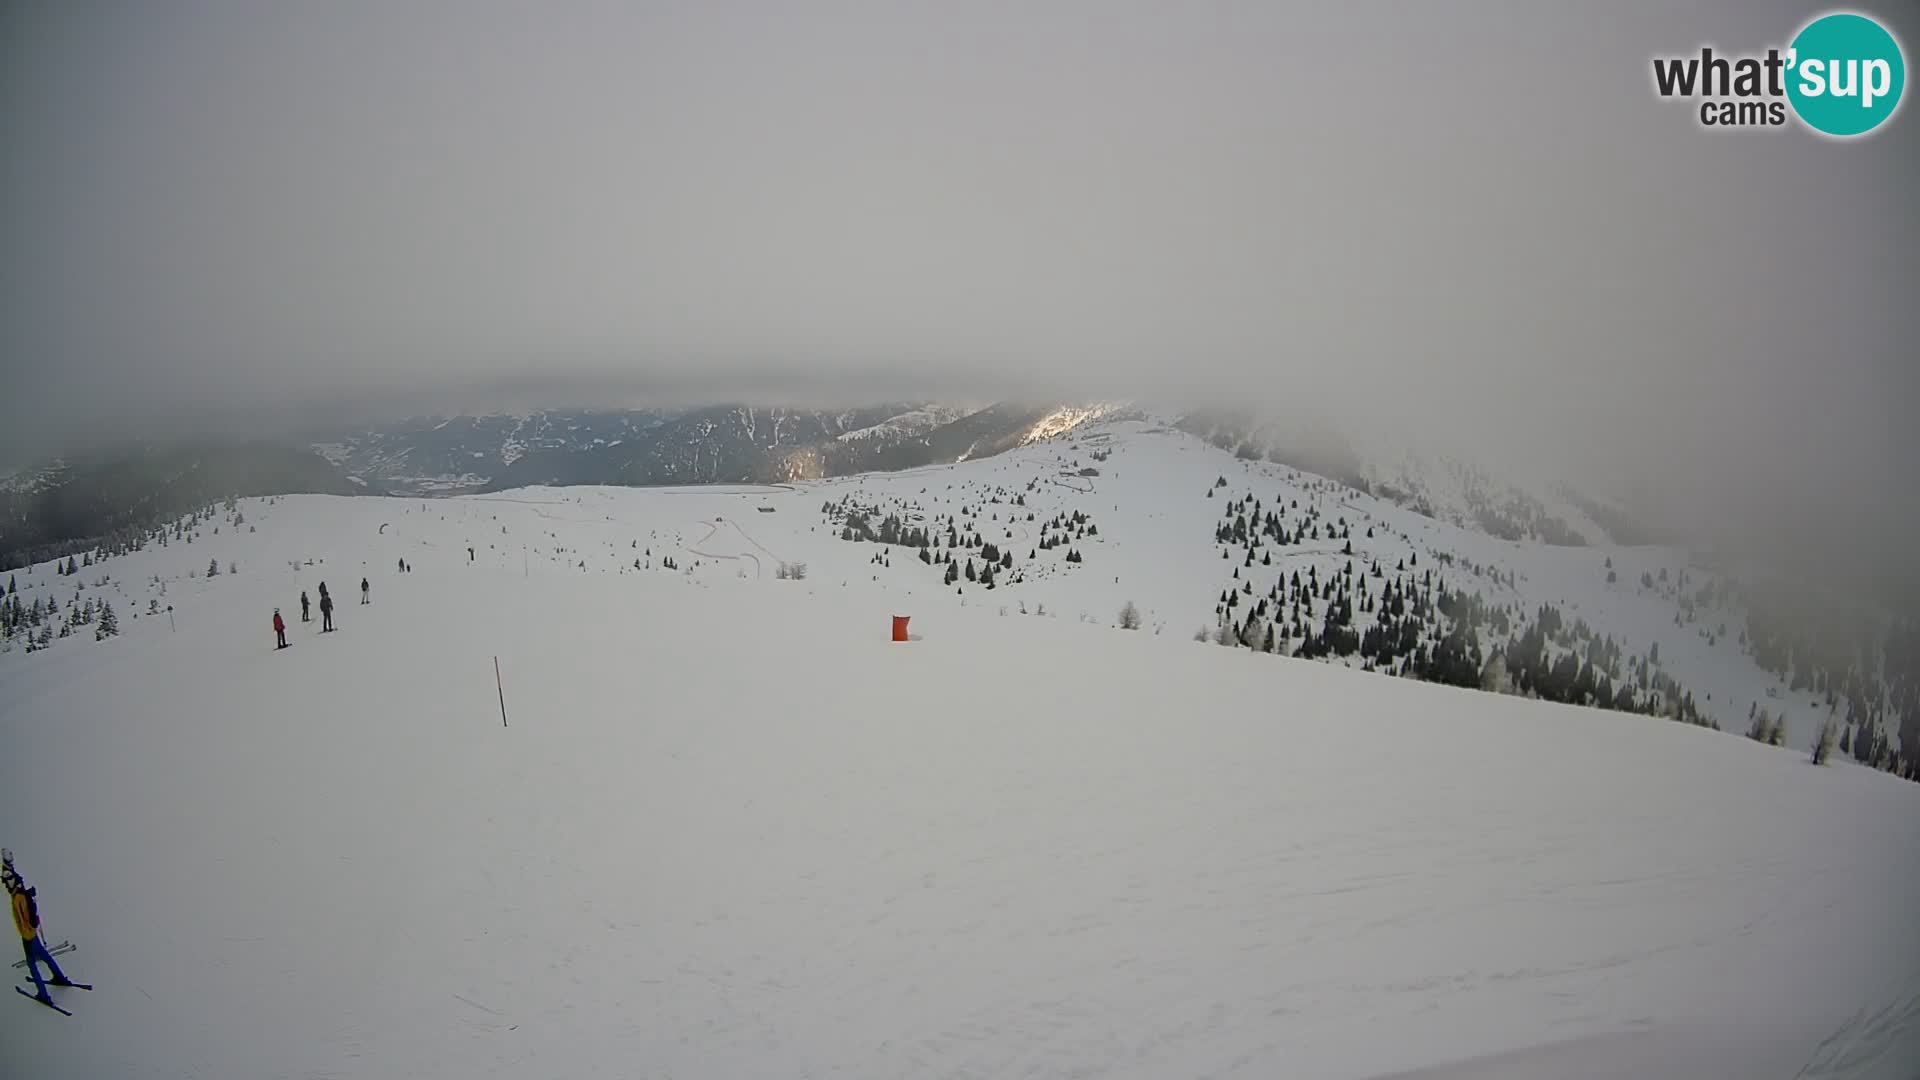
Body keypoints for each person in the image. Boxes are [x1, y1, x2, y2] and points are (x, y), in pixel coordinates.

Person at [5, 854, 74, 1003]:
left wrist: (27, 933)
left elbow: (24, 919)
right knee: (44, 955)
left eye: (7, 882)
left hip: (28, 936)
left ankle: (43, 994)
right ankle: (60, 977)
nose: (6, 884)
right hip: (32, 934)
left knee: (32, 964)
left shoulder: (18, 898)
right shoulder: (20, 890)